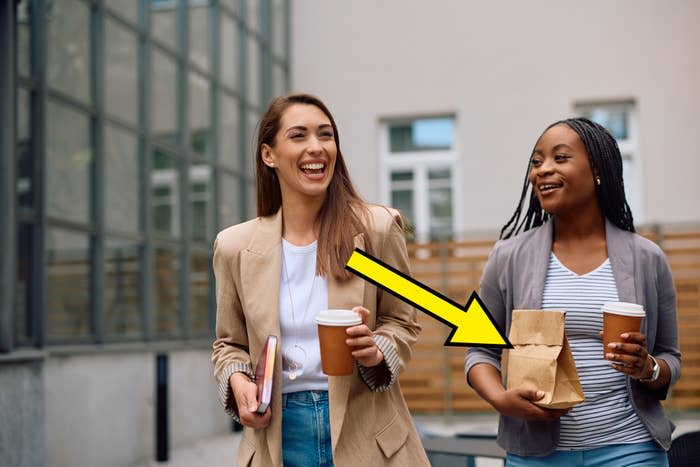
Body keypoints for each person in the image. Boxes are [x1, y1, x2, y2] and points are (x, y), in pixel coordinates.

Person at [212, 93, 430, 466]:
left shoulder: (376, 229)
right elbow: (228, 344)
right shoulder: (235, 247)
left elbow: (402, 320)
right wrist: (239, 384)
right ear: (269, 155)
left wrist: (376, 350)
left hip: (367, 434)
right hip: (279, 434)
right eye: (298, 136)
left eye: (325, 135)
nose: (316, 147)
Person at [465, 118, 681, 466]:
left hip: (630, 447)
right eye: (537, 162)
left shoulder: (646, 258)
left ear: (597, 171)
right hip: (536, 453)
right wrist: (501, 399)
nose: (542, 171)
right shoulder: (508, 257)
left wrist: (647, 368)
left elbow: (670, 357)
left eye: (559, 158)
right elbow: (479, 352)